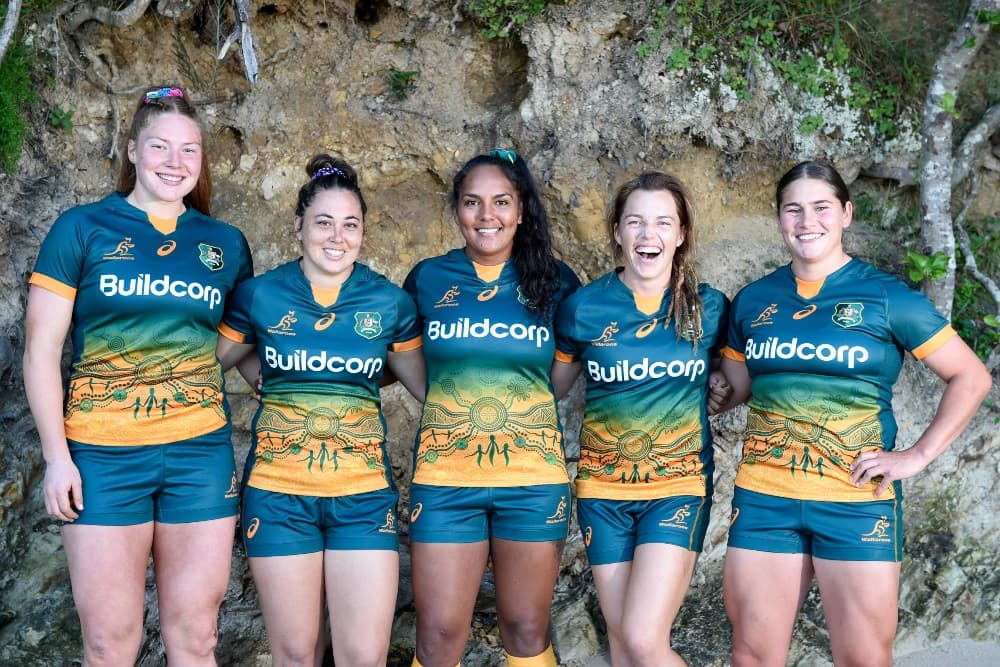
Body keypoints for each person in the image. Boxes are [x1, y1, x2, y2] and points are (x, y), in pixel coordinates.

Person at [718, 160, 992, 666]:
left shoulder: (886, 297)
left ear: (845, 213)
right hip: (766, 497)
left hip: (856, 498)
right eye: (793, 210)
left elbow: (971, 377)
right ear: (779, 218)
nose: (807, 222)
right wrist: (708, 388)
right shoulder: (754, 300)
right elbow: (736, 386)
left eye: (821, 208)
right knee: (752, 655)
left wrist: (916, 456)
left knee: (863, 658)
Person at [23, 86, 253, 665]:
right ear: (131, 150)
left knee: (196, 637)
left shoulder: (225, 244)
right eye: (160, 147)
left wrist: (306, 390)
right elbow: (41, 349)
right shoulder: (81, 228)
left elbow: (240, 348)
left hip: (198, 456)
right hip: (101, 456)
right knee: (108, 641)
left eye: (189, 151)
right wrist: (57, 457)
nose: (175, 163)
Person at [216, 154, 425, 667]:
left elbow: (427, 388)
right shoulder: (258, 294)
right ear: (298, 226)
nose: (337, 236)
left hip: (362, 496)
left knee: (363, 655)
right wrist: (256, 375)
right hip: (279, 494)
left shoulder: (389, 303)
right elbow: (207, 361)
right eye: (324, 223)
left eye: (350, 224)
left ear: (363, 231)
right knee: (296, 653)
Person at [403, 148, 580, 667]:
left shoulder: (555, 281)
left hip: (530, 478)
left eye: (501, 202)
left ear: (521, 210)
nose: (487, 216)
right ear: (456, 210)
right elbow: (406, 362)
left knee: (525, 628)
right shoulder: (428, 279)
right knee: (437, 635)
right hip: (445, 478)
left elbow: (559, 378)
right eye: (472, 203)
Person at [552, 171, 730, 666]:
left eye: (662, 223)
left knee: (644, 639)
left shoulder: (710, 307)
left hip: (677, 486)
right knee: (622, 643)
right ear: (617, 231)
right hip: (602, 492)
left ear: (681, 234)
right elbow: (550, 391)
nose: (648, 235)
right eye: (635, 222)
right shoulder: (582, 308)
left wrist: (721, 389)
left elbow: (743, 378)